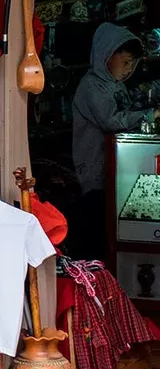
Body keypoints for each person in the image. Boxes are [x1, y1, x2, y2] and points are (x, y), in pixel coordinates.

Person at [71, 23, 157, 259]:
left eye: (133, 64)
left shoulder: (115, 85)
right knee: (95, 227)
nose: (129, 70)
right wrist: (149, 115)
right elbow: (111, 120)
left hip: (112, 169)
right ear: (107, 54)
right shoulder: (91, 86)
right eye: (125, 62)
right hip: (94, 169)